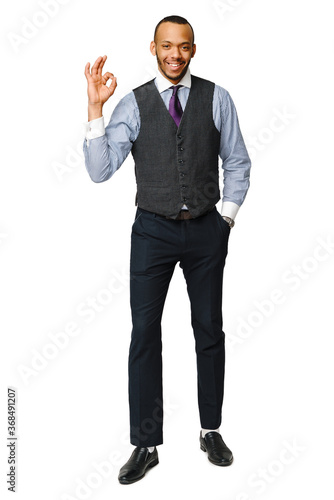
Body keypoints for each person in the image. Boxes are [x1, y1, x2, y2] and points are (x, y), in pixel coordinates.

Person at [83, 15, 251, 484]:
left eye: (183, 47)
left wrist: (226, 220)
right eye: (166, 46)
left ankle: (210, 430)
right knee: (144, 335)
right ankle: (146, 442)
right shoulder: (133, 104)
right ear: (153, 48)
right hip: (151, 232)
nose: (174, 55)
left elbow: (236, 161)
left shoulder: (217, 97)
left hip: (204, 231)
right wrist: (95, 109)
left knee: (209, 329)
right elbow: (100, 171)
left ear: (193, 50)